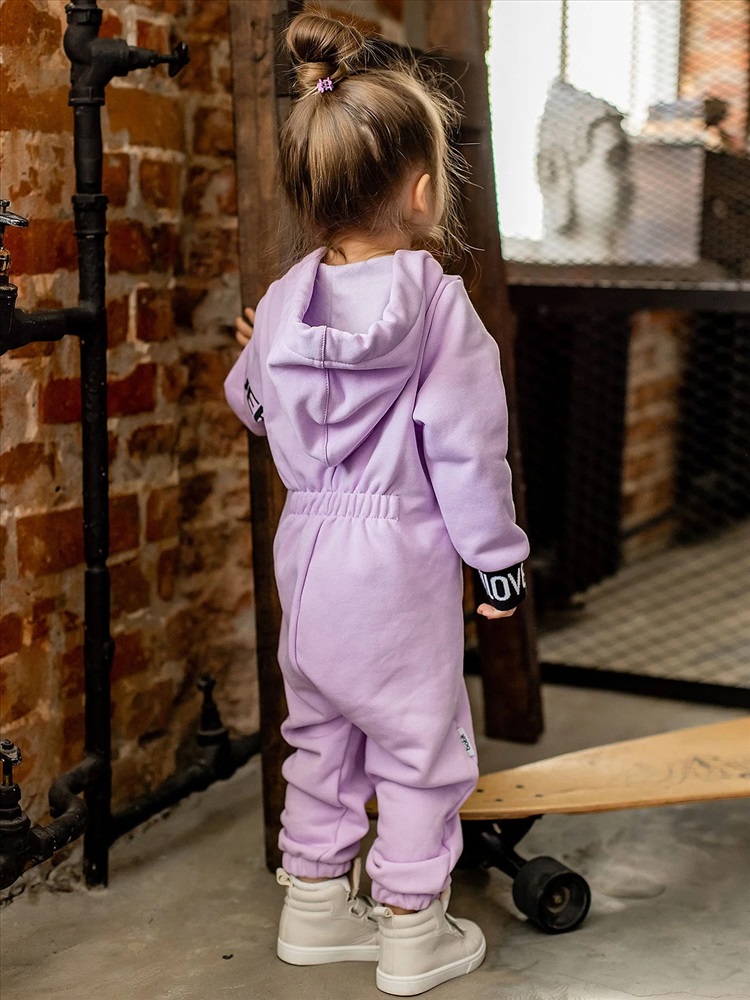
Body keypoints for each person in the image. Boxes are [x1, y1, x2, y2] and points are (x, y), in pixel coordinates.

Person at [225, 10, 529, 996]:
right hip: (396, 560)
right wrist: (497, 562)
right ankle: (410, 928)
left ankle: (314, 909)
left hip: (308, 554)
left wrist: (258, 360)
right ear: (424, 190)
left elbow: (252, 406)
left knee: (319, 734)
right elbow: (468, 449)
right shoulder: (436, 306)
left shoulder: (284, 301)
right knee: (416, 745)